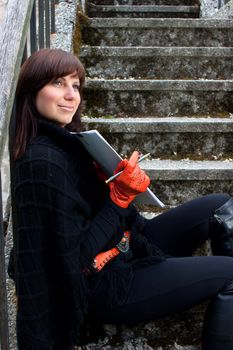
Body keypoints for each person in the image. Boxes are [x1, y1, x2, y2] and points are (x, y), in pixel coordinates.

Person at [9, 48, 233, 350]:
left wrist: (106, 182)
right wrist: (118, 198)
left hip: (127, 246)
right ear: (32, 91)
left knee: (219, 206)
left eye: (75, 85)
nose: (71, 95)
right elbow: (77, 260)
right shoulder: (42, 163)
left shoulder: (71, 146)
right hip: (105, 285)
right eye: (58, 83)